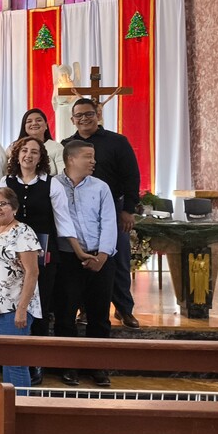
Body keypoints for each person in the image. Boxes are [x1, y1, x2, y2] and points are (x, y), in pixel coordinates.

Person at [64, 97, 141, 329]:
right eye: (79, 116)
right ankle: (86, 310)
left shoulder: (117, 142)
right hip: (79, 211)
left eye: (89, 114)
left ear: (98, 115)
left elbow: (131, 176)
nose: (84, 119)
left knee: (117, 259)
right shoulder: (67, 144)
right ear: (72, 119)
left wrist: (128, 209)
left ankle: (124, 309)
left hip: (114, 210)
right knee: (83, 260)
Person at [53, 140, 117, 387]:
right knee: (65, 314)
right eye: (88, 157)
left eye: (93, 156)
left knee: (99, 314)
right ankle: (67, 365)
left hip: (99, 258)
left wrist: (102, 255)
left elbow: (109, 222)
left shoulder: (100, 187)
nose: (94, 161)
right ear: (71, 159)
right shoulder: (54, 185)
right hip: (68, 257)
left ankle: (97, 365)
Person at [0, 137, 73, 352]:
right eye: (24, 150)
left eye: (34, 152)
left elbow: (63, 220)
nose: (28, 155)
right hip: (11, 253)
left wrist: (76, 249)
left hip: (44, 252)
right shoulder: (6, 181)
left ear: (41, 157)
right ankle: (13, 352)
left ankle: (38, 357)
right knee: (13, 301)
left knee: (40, 305)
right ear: (17, 154)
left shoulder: (52, 183)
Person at [0, 187, 42, 390]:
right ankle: (8, 414)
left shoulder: (22, 231)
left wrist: (22, 309)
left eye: (2, 203)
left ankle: (20, 414)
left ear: (14, 207)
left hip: (14, 307)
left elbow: (32, 272)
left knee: (16, 363)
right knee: (6, 360)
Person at [13, 108, 65, 176]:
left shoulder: (57, 147)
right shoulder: (15, 147)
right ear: (24, 127)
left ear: (46, 125)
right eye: (29, 121)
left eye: (38, 120)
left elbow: (63, 175)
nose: (34, 123)